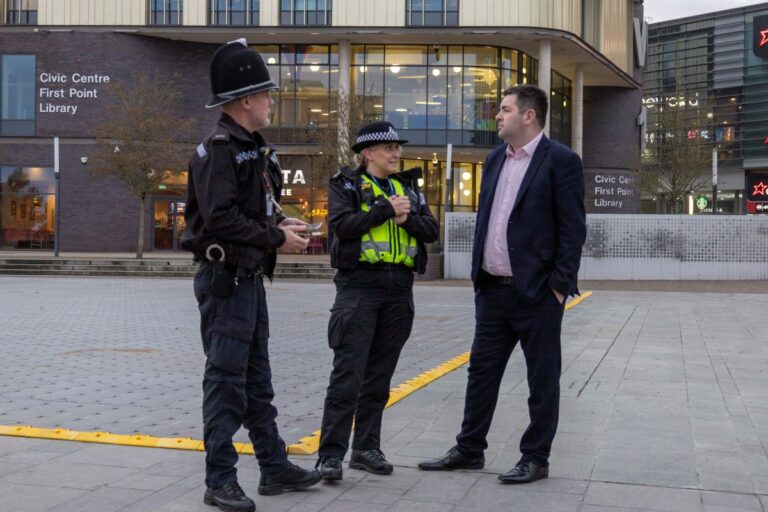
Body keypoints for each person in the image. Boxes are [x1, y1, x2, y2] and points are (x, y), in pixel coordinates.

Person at [418, 85, 586, 484]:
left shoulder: (561, 161)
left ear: (529, 116)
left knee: (541, 379)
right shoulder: (494, 160)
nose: (497, 116)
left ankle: (536, 457)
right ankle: (469, 448)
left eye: (505, 109)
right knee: (481, 373)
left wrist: (558, 288)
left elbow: (573, 230)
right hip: (492, 290)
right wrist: (479, 276)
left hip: (538, 294)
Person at [181, 39, 321, 512]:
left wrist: (278, 227)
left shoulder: (251, 149)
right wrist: (275, 238)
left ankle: (273, 466)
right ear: (245, 101)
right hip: (225, 282)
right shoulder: (219, 150)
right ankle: (219, 479)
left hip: (246, 280)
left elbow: (246, 214)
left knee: (257, 378)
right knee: (225, 381)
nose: (270, 101)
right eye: (265, 94)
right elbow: (219, 219)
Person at [315, 121, 439, 480]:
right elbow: (343, 227)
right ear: (367, 153)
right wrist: (385, 211)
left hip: (400, 290)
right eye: (388, 148)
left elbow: (430, 230)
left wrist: (406, 218)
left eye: (397, 147)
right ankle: (330, 456)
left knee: (379, 378)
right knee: (347, 377)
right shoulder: (347, 186)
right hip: (359, 289)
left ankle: (366, 449)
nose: (396, 153)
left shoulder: (410, 189)